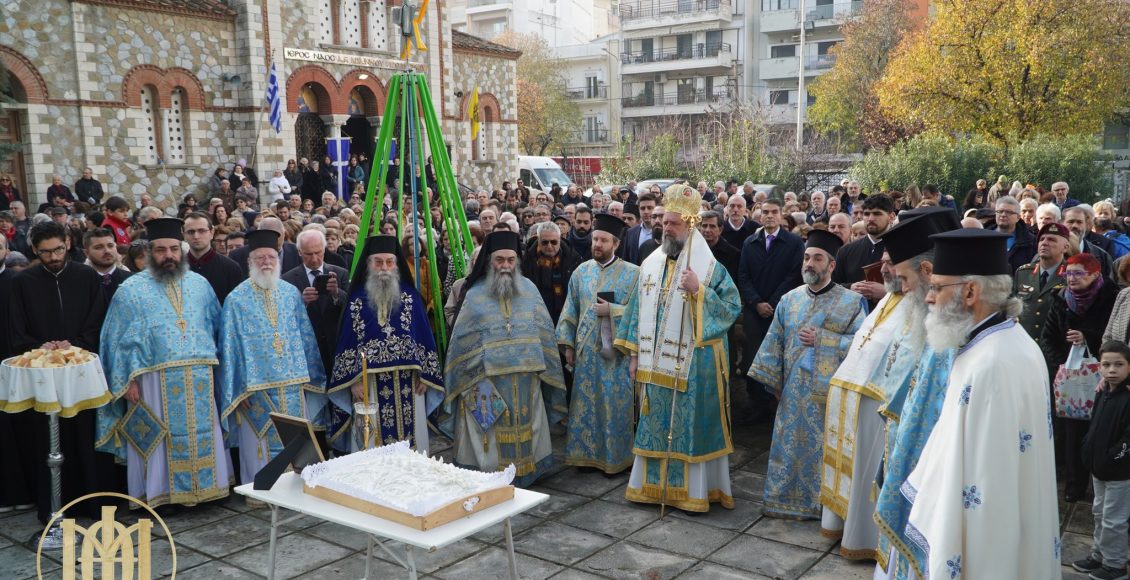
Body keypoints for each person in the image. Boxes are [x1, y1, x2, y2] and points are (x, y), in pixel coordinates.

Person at [902, 229, 1058, 579]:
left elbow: (987, 486)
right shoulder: (1006, 340)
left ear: (970, 292)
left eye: (938, 287)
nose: (929, 298)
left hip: (987, 539)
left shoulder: (991, 363)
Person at [824, 208, 958, 560]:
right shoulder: (902, 297)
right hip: (884, 411)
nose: (892, 275)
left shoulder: (944, 319)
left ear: (926, 272)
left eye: (899, 271)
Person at [615, 184, 742, 513]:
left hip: (695, 367)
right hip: (653, 366)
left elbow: (731, 308)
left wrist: (699, 290)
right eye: (664, 222)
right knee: (654, 425)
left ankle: (693, 493)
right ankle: (651, 488)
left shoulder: (710, 268)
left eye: (673, 224)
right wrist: (632, 355)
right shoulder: (651, 264)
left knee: (689, 427)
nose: (665, 228)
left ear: (690, 226)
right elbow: (634, 311)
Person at [96, 218, 233, 508]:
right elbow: (114, 341)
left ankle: (205, 491)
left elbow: (219, 329)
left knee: (202, 434)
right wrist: (126, 381)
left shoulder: (200, 285)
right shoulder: (130, 290)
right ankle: (162, 498)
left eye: (173, 249)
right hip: (152, 381)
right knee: (159, 441)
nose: (168, 256)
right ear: (149, 252)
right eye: (160, 250)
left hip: (199, 376)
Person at [750, 229, 867, 521]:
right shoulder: (789, 300)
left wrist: (825, 339)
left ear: (831, 265)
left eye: (817, 258)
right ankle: (784, 502)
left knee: (825, 451)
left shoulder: (852, 303)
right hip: (790, 393)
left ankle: (824, 508)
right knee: (788, 451)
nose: (809, 263)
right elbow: (773, 343)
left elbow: (864, 345)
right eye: (806, 257)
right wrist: (774, 384)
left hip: (831, 397)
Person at [10, 221, 110, 522]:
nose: (53, 257)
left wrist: (75, 345)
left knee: (85, 434)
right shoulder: (23, 282)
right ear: (35, 252)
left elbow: (98, 321)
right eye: (45, 253)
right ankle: (54, 504)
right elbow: (17, 328)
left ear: (67, 243)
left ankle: (92, 504)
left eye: (57, 250)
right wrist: (42, 347)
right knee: (49, 437)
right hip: (44, 373)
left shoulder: (86, 275)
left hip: (81, 371)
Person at [446, 231, 564, 484]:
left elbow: (544, 334)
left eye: (511, 260)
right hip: (486, 381)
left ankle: (525, 472)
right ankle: (491, 475)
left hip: (526, 378)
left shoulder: (530, 290)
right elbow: (461, 344)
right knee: (491, 432)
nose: (506, 266)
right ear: (489, 261)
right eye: (500, 260)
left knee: (527, 425)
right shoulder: (474, 295)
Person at [218, 230, 326, 484]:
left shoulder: (290, 293)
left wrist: (313, 375)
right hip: (255, 390)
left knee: (296, 437)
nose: (266, 262)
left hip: (292, 385)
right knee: (259, 442)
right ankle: (263, 489)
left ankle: (297, 487)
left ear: (278, 259)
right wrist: (237, 389)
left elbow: (305, 336)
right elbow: (229, 347)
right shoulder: (236, 300)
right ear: (250, 262)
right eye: (259, 258)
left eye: (270, 257)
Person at [328, 235, 443, 452]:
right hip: (369, 385)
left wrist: (426, 375)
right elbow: (347, 344)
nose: (384, 267)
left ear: (396, 264)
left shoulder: (411, 297)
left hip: (409, 384)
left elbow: (425, 340)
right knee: (372, 443)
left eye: (389, 262)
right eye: (378, 262)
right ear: (368, 264)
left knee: (411, 445)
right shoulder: (356, 300)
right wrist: (351, 381)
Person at [555, 214, 639, 474]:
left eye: (603, 240)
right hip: (586, 355)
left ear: (615, 243)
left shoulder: (633, 274)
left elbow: (640, 313)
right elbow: (570, 309)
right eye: (595, 239)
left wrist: (613, 310)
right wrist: (568, 345)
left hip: (616, 356)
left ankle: (616, 459)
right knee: (586, 405)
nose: (597, 245)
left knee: (614, 407)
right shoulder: (581, 271)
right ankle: (585, 456)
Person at [1041, 252, 1120, 503]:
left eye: (1077, 273)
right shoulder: (1062, 299)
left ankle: (1099, 484)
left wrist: (1088, 337)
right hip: (1071, 382)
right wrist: (1063, 366)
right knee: (1072, 433)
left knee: (1100, 431)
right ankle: (1074, 485)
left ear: (1095, 274)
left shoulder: (1112, 298)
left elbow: (1116, 337)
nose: (1071, 279)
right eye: (1068, 273)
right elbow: (1048, 338)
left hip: (1104, 377)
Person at [737, 198, 805, 421]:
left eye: (774, 212)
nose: (769, 215)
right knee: (753, 357)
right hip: (754, 311)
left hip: (782, 310)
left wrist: (773, 303)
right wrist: (756, 302)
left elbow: (794, 276)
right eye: (765, 212)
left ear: (781, 214)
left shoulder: (794, 243)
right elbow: (743, 276)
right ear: (758, 214)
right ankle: (756, 403)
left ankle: (776, 405)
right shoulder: (750, 242)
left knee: (779, 357)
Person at [1074, 341, 1130, 580]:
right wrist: (1088, 448)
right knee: (1098, 513)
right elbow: (1094, 424)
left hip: (1119, 472)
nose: (1112, 370)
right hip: (1099, 469)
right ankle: (1099, 555)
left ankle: (1115, 565)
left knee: (1114, 520)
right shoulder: (1103, 391)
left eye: (1119, 364)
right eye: (1106, 364)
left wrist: (1112, 457)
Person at [282, 229, 348, 376]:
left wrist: (336, 293)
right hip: (307, 351)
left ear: (324, 250)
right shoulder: (287, 279)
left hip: (336, 347)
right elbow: (283, 315)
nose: (314, 259)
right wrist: (302, 302)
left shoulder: (341, 273)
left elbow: (350, 308)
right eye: (308, 254)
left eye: (318, 253)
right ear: (299, 252)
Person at [833, 194, 896, 309]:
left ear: (891, 216)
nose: (870, 218)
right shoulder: (846, 251)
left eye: (877, 213)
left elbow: (916, 289)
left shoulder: (904, 249)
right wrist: (850, 288)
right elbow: (833, 286)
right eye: (866, 214)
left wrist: (888, 293)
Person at [1015, 223, 1071, 340]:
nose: (1044, 243)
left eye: (1051, 240)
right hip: (1025, 343)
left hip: (1054, 346)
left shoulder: (1071, 274)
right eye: (1042, 239)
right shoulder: (1023, 272)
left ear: (1065, 247)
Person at [522, 222, 580, 325]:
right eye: (545, 242)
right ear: (538, 240)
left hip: (564, 316)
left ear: (560, 239)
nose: (549, 246)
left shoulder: (573, 259)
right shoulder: (526, 261)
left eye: (553, 242)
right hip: (535, 317)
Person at [183, 212, 243, 304]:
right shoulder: (176, 268)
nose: (196, 236)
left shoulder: (231, 267)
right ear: (184, 234)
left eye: (202, 231)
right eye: (191, 232)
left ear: (212, 232)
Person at [83, 227, 131, 300]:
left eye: (110, 246)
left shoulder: (130, 280)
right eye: (99, 247)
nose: (107, 251)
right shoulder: (79, 282)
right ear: (87, 253)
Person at [992, 196, 1037, 273]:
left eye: (1009, 212)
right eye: (1000, 211)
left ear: (1018, 217)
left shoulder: (1030, 241)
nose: (1003, 215)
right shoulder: (985, 237)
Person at [698, 210, 740, 280]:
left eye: (712, 226)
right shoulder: (692, 249)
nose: (707, 230)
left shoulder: (733, 254)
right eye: (704, 226)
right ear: (700, 228)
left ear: (720, 230)